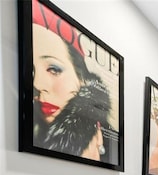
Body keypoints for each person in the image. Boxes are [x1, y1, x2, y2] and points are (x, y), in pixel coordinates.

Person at [31, 0, 111, 161]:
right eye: (31, 70)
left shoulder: (103, 140)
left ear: (81, 77)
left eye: (54, 69)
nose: (37, 84)